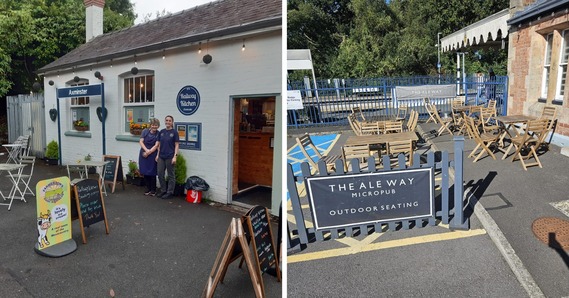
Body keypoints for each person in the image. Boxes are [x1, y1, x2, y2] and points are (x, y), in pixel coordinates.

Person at [156, 115, 180, 200]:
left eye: (170, 120)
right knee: (160, 173)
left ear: (172, 122)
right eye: (166, 120)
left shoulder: (174, 133)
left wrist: (175, 157)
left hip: (170, 156)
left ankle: (170, 192)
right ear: (165, 121)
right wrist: (157, 155)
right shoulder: (161, 132)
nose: (168, 122)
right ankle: (163, 190)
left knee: (171, 175)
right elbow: (159, 144)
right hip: (161, 156)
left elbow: (177, 145)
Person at [138, 118, 160, 196]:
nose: (154, 126)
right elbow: (141, 141)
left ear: (158, 126)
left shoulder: (158, 134)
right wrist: (146, 150)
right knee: (145, 171)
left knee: (152, 172)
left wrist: (149, 152)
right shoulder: (145, 131)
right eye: (153, 125)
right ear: (150, 125)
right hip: (144, 152)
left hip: (153, 154)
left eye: (156, 125)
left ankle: (153, 190)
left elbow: (157, 145)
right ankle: (147, 189)